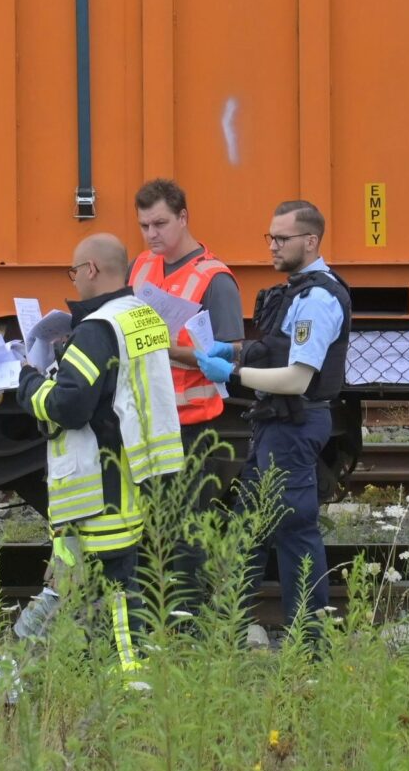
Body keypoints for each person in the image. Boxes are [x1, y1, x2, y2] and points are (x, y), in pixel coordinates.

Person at [15, 232, 185, 671]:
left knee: (114, 590)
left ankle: (132, 682)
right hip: (134, 472)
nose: (73, 282)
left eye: (74, 272)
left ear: (91, 269)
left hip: (98, 485)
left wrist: (30, 380)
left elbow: (68, 406)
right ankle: (83, 670)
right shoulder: (140, 316)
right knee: (108, 581)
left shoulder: (96, 329)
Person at [198, 198, 351, 631]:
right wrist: (236, 349)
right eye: (271, 237)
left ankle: (309, 640)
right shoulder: (297, 291)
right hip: (276, 426)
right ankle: (230, 629)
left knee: (294, 534)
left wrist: (234, 371)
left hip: (293, 424)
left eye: (282, 239)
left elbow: (299, 379)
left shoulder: (318, 298)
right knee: (249, 528)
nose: (273, 246)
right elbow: (281, 349)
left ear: (310, 240)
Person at [126, 177, 244, 606]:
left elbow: (230, 354)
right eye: (144, 226)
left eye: (159, 224)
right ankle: (154, 618)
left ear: (183, 218)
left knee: (187, 532)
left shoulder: (214, 279)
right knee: (147, 528)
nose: (152, 234)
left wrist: (166, 348)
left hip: (190, 426)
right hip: (145, 421)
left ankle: (188, 623)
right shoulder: (141, 267)